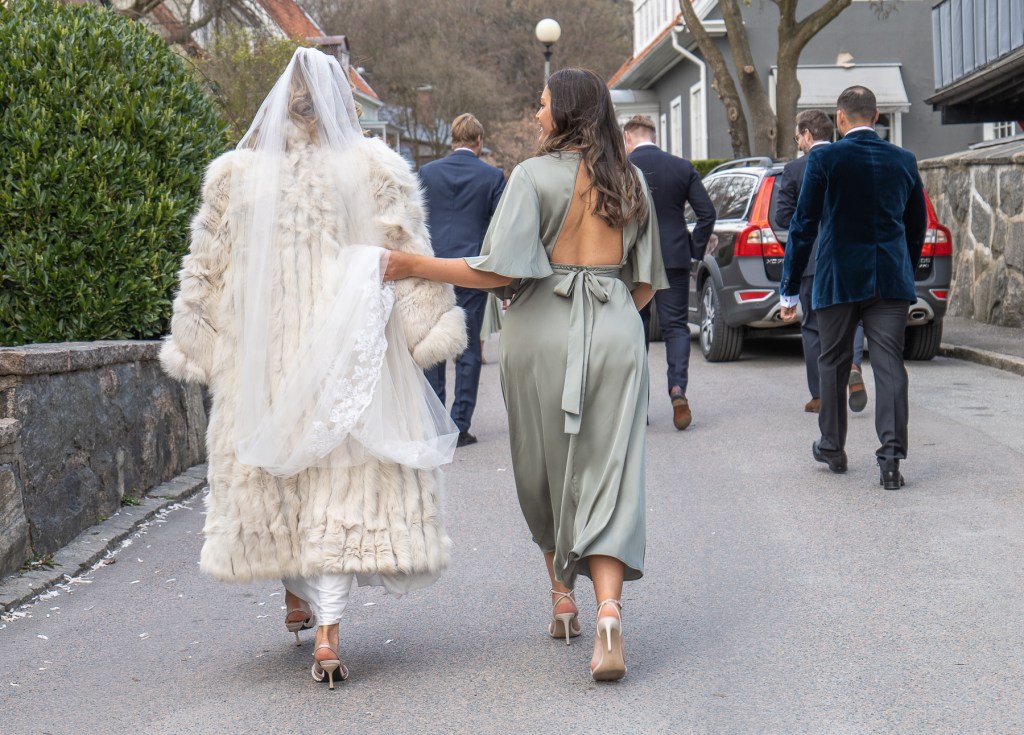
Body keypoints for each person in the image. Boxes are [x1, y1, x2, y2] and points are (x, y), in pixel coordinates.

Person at [160, 48, 468, 688]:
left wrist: (198, 343)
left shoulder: (235, 177)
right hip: (344, 354)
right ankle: (327, 631)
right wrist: (425, 329)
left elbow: (204, 271)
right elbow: (406, 251)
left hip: (263, 360)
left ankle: (295, 595)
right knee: (339, 483)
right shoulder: (373, 168)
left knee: (282, 478)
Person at [383, 68, 668, 681]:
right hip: (618, 330)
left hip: (540, 331)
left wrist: (410, 264)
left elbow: (495, 272)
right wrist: (610, 318)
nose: (536, 115)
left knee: (543, 467)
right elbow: (644, 283)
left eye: (541, 105)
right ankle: (609, 611)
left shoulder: (532, 177)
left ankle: (562, 598)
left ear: (563, 112)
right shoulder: (631, 178)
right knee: (611, 473)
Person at [779, 86, 927, 490]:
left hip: (838, 276)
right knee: (890, 364)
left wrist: (789, 288)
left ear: (840, 119)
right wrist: (905, 269)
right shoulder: (904, 159)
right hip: (890, 279)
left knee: (833, 359)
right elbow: (917, 225)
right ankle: (891, 459)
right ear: (876, 116)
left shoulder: (824, 158)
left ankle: (832, 446)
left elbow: (803, 225)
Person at [418, 114, 506, 446]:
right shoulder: (492, 176)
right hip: (472, 269)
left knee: (434, 344)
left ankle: (436, 421)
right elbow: (502, 226)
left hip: (432, 268)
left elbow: (416, 217)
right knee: (468, 348)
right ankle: (460, 423)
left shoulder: (427, 173)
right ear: (479, 141)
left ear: (452, 139)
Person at [623, 114, 716, 430]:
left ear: (628, 138)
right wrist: (694, 250)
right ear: (654, 136)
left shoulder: (621, 169)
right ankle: (677, 389)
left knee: (635, 328)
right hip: (674, 256)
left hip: (635, 261)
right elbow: (707, 213)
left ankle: (639, 407)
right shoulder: (681, 167)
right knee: (676, 327)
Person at [775, 110, 869, 415]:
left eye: (797, 137)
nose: (798, 143)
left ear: (807, 134)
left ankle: (820, 395)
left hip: (813, 259)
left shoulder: (795, 169)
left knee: (814, 327)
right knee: (854, 318)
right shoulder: (852, 160)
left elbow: (782, 217)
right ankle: (853, 365)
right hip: (852, 256)